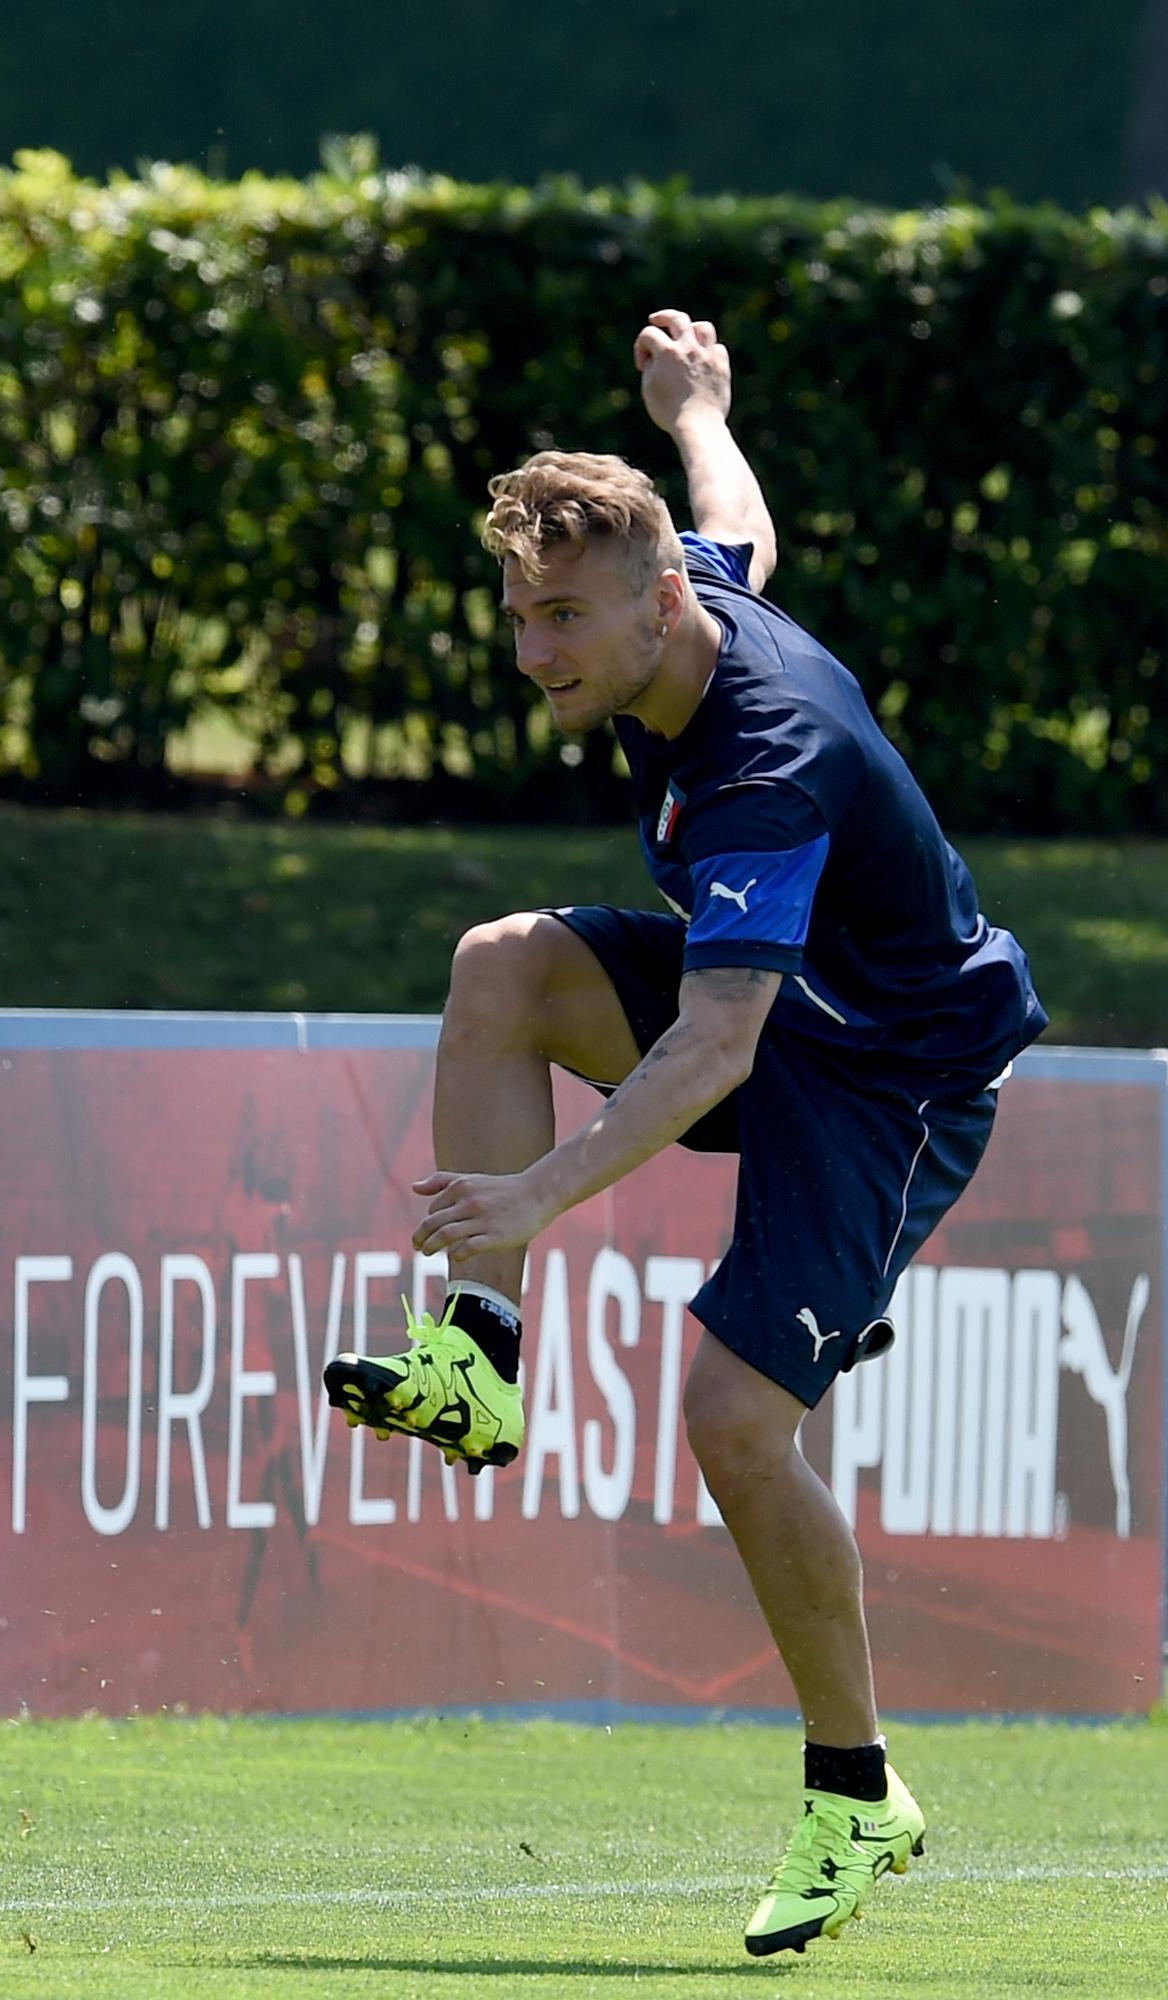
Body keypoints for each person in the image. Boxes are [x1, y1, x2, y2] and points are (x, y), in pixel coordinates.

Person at [321, 309, 1046, 1958]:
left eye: (561, 617)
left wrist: (535, 1191)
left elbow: (716, 1047)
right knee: (502, 968)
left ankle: (856, 1794)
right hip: (785, 1020)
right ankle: (478, 1356)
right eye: (521, 615)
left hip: (894, 1078)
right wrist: (699, 411)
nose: (533, 653)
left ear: (652, 608)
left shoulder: (765, 762)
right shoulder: (691, 591)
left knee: (732, 1421)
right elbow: (740, 524)